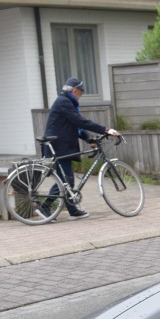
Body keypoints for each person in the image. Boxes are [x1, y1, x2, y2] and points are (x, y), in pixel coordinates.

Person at [42, 77, 119, 219]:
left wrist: (88, 138)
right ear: (75, 90)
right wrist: (105, 130)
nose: (81, 96)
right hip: (58, 146)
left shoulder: (66, 101)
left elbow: (75, 126)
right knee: (67, 180)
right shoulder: (63, 102)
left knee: (67, 180)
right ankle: (45, 206)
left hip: (62, 145)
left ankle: (72, 210)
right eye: (81, 93)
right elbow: (79, 121)